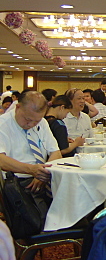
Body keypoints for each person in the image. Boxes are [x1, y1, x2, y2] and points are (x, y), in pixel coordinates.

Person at [0, 91, 62, 225]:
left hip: (44, 176)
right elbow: (1, 160)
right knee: (44, 219)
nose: (31, 124)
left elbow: (56, 153)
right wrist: (32, 170)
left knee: (74, 201)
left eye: (37, 121)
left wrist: (42, 172)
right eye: (28, 119)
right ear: (17, 107)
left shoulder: (43, 123)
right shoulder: (3, 125)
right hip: (19, 182)